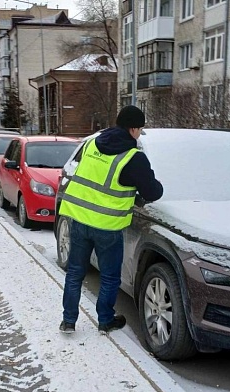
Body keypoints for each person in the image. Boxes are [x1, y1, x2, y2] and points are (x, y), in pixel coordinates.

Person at [58, 105, 164, 334]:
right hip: (107, 226)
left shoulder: (91, 144)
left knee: (75, 273)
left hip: (78, 219)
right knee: (109, 276)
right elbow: (153, 192)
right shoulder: (133, 158)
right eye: (140, 129)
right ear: (134, 129)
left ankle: (68, 321)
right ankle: (105, 320)